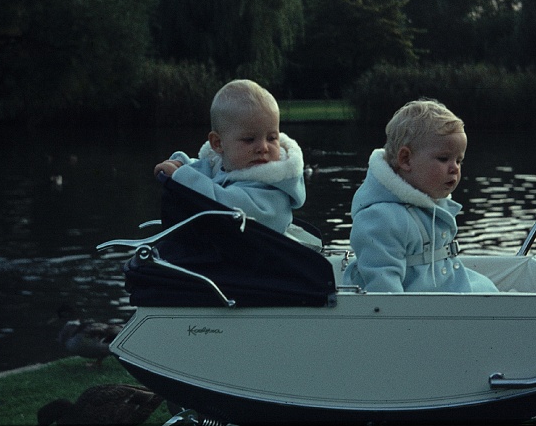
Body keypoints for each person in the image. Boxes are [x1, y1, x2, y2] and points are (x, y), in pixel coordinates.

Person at [343, 98, 498, 293]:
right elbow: (382, 287)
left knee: (493, 293)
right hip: (417, 309)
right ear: (406, 159)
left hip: (446, 289)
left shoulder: (430, 206)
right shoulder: (381, 218)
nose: (454, 168)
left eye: (459, 161)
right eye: (444, 158)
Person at [153, 79, 315, 244]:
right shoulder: (228, 164)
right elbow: (210, 171)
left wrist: (183, 177)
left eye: (272, 138)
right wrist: (183, 165)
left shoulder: (272, 191)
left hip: (260, 262)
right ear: (218, 144)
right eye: (249, 139)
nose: (263, 148)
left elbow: (222, 205)